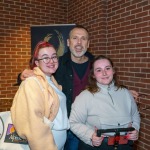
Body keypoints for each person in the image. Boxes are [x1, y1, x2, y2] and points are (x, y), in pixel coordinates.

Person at [16, 25, 139, 150]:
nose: (79, 43)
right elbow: (39, 80)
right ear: (68, 42)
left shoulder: (95, 63)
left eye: (83, 38)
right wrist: (22, 75)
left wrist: (122, 92)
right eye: (75, 38)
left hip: (90, 128)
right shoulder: (57, 64)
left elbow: (107, 79)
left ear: (88, 43)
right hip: (67, 127)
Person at [69, 55, 140, 150]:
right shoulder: (85, 96)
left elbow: (135, 115)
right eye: (99, 70)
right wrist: (91, 136)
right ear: (93, 75)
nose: (104, 73)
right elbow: (74, 122)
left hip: (125, 146)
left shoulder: (126, 93)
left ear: (113, 71)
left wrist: (135, 129)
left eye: (107, 68)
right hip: (97, 147)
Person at [11, 41, 69, 150]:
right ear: (37, 63)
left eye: (54, 57)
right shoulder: (32, 82)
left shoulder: (51, 80)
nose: (51, 61)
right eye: (45, 58)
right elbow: (34, 123)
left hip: (58, 142)